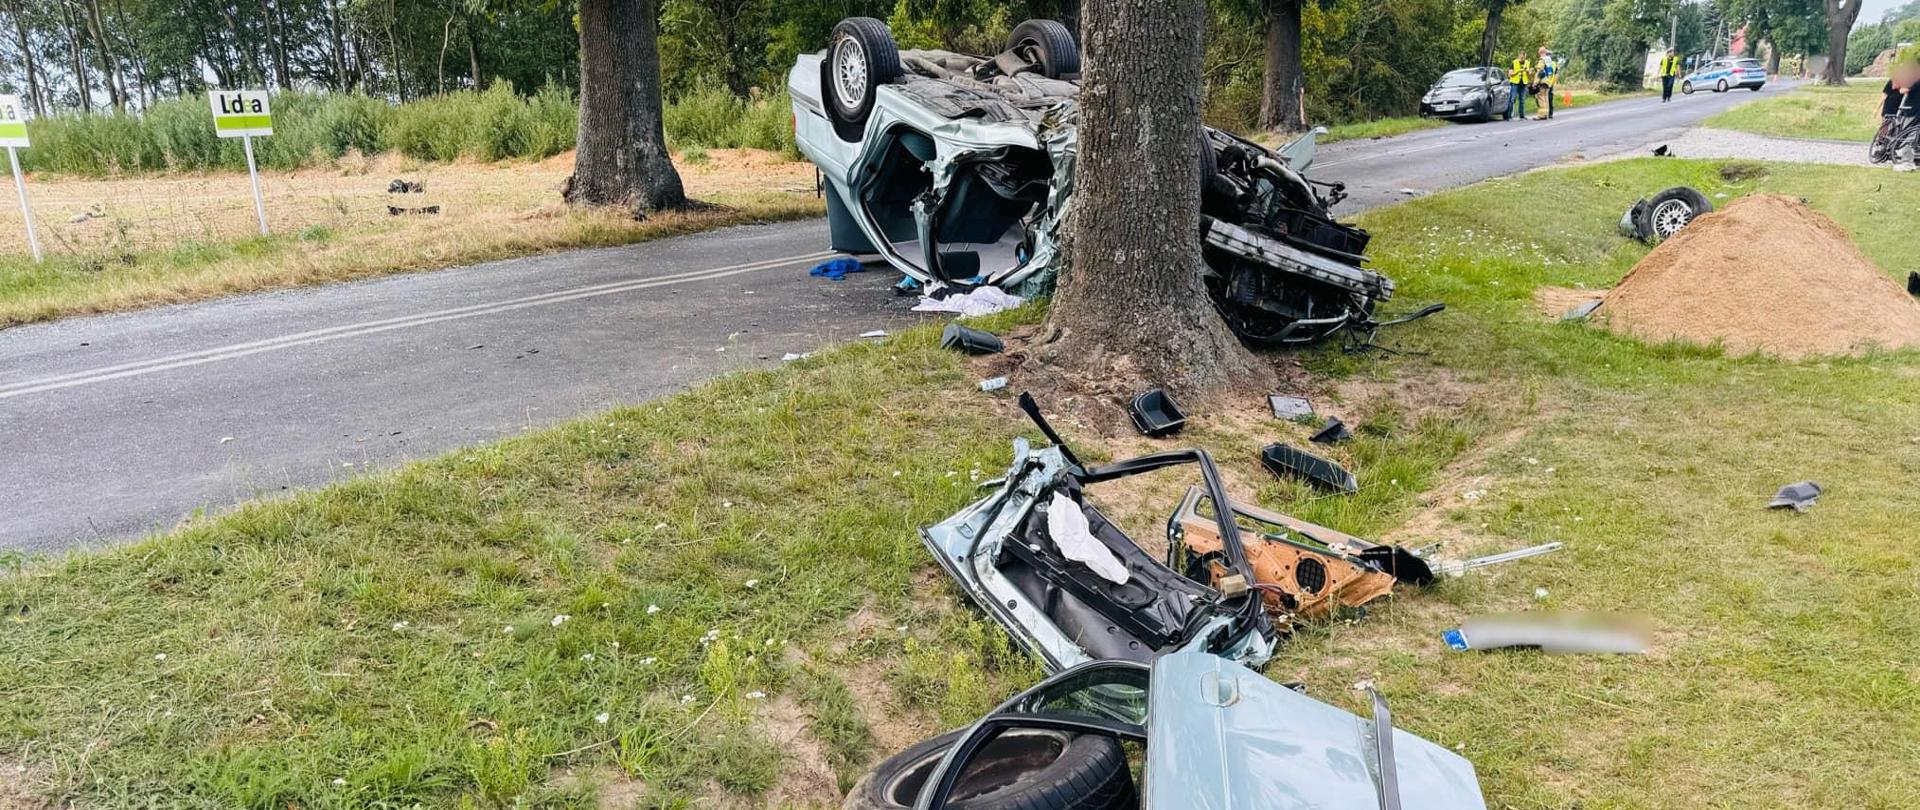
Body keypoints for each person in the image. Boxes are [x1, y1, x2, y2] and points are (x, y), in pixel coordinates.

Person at [1534, 47, 1558, 119]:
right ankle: (1546, 114)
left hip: (1542, 81)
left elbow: (1540, 72)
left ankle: (1541, 115)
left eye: (1539, 52)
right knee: (1545, 98)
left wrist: (1535, 82)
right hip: (1548, 81)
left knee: (1540, 98)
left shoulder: (1542, 60)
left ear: (1540, 52)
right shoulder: (1549, 60)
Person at [1509, 53, 1532, 121]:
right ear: (1519, 56)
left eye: (1524, 58)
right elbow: (1510, 74)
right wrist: (1518, 71)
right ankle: (1509, 116)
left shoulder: (1527, 63)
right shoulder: (1514, 62)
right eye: (1521, 58)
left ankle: (1521, 116)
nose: (1522, 59)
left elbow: (1529, 74)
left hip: (1523, 83)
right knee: (1512, 99)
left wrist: (1528, 71)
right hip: (1515, 83)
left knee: (1522, 100)